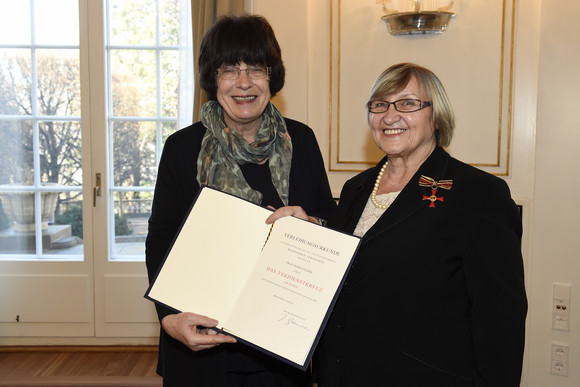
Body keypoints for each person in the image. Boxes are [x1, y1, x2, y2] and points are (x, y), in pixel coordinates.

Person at [267, 63, 527, 386]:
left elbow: (501, 325)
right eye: (380, 104)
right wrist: (308, 229)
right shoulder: (355, 189)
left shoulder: (478, 195)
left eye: (407, 103)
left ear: (436, 116)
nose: (390, 116)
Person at [145, 14, 336, 387]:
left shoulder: (303, 140)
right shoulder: (182, 148)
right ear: (212, 78)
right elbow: (161, 238)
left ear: (273, 76)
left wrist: (311, 225)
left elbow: (330, 218)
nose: (244, 82)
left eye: (256, 68)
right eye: (229, 69)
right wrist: (168, 317)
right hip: (199, 341)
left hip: (279, 344)